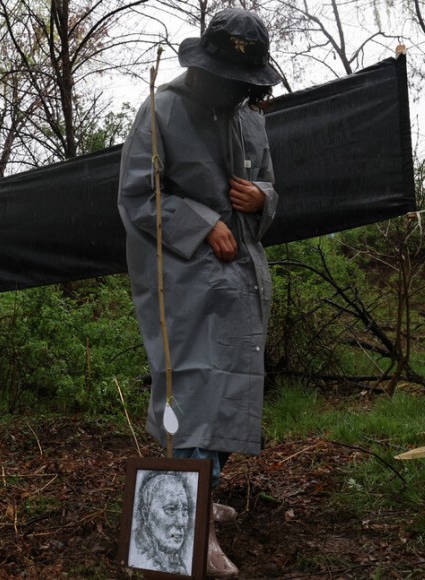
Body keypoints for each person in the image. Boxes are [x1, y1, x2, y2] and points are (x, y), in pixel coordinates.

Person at [117, 8, 282, 578]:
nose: (238, 93)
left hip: (241, 283)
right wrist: (200, 221)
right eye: (229, 80)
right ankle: (185, 529)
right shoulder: (161, 110)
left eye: (247, 85)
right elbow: (138, 196)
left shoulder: (250, 120)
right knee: (192, 395)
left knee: (231, 395)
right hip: (183, 284)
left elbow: (268, 187)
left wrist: (262, 199)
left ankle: (201, 497)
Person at [129, 471, 195, 575]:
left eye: (185, 510)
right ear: (146, 516)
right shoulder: (137, 561)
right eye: (170, 509)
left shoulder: (183, 569)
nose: (181, 522)